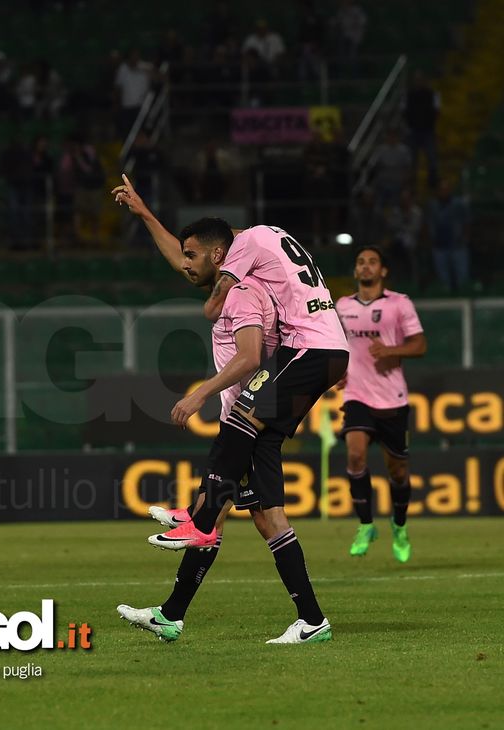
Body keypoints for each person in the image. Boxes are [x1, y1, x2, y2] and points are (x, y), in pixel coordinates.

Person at [112, 175, 344, 644]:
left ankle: (197, 519)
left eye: (197, 256)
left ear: (222, 254)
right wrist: (144, 213)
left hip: (310, 351)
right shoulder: (263, 248)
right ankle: (179, 612)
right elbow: (188, 262)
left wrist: (198, 391)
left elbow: (241, 341)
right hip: (317, 352)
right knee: (266, 516)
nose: (186, 266)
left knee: (236, 438)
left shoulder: (245, 279)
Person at [336, 246, 426, 562]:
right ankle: (365, 525)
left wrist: (390, 351)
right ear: (356, 270)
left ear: (383, 271)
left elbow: (420, 344)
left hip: (392, 399)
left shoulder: (399, 304)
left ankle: (399, 526)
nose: (366, 267)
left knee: (398, 473)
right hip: (356, 395)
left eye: (372, 262)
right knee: (355, 454)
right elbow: (335, 346)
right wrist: (335, 373)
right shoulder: (342, 306)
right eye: (361, 262)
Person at [427, 179, 470, 292]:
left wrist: (464, 237)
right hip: (439, 245)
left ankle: (462, 292)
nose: (444, 192)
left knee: (462, 275)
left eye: (446, 189)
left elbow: (466, 222)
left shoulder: (458, 204)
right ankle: (445, 293)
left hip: (457, 244)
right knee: (443, 277)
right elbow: (429, 224)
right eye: (441, 189)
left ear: (450, 190)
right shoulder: (433, 205)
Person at [404, 71, 440, 188]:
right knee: (412, 161)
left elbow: (437, 111)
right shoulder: (408, 95)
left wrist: (428, 123)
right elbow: (403, 111)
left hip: (428, 131)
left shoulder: (432, 94)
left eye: (421, 79)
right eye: (417, 79)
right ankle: (412, 186)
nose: (419, 82)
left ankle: (433, 184)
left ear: (425, 80)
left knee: (432, 158)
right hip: (413, 131)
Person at [114, 49, 155, 137]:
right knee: (127, 131)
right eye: (133, 56)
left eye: (136, 55)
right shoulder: (123, 68)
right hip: (126, 106)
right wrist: (117, 103)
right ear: (128, 58)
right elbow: (118, 87)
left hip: (142, 105)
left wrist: (149, 72)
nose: (135, 58)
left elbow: (159, 77)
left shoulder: (146, 66)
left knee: (142, 130)